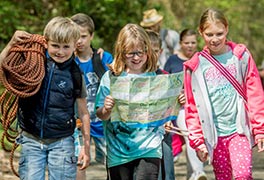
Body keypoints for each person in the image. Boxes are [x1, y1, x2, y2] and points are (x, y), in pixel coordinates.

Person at [0, 17, 91, 180]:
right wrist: (11, 44)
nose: (60, 52)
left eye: (66, 47)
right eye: (55, 46)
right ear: (46, 42)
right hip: (31, 138)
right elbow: (2, 68)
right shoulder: (32, 62)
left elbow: (84, 113)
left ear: (75, 45)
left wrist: (85, 147)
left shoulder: (76, 75)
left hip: (63, 142)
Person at [183, 8, 264, 180]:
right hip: (214, 135)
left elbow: (255, 93)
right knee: (224, 177)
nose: (214, 39)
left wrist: (259, 128)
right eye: (209, 34)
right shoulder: (195, 65)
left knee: (243, 175)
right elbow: (192, 106)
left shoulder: (240, 56)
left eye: (219, 33)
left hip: (238, 130)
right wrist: (197, 141)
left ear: (227, 29)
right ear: (201, 32)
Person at [95, 23, 164, 180]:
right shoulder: (111, 77)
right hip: (119, 151)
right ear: (121, 52)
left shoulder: (154, 77)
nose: (136, 57)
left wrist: (175, 104)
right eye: (130, 53)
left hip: (149, 147)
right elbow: (101, 115)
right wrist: (106, 109)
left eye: (141, 52)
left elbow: (161, 111)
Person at [70, 13, 113, 180]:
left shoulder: (103, 58)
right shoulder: (67, 60)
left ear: (91, 36)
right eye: (75, 37)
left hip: (102, 121)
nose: (79, 41)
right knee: (79, 162)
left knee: (111, 163)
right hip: (78, 122)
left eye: (83, 36)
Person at [165, 29, 207, 180]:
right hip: (181, 108)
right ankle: (198, 172)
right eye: (186, 43)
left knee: (197, 139)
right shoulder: (172, 61)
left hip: (201, 108)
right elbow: (166, 86)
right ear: (181, 43)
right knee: (192, 134)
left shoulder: (202, 59)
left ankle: (193, 174)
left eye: (193, 43)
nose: (190, 46)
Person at [146, 29, 175, 180]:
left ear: (161, 51)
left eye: (155, 51)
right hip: (142, 137)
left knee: (167, 171)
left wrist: (169, 117)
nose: (151, 54)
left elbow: (170, 104)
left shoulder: (165, 76)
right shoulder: (134, 77)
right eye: (147, 51)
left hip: (163, 134)